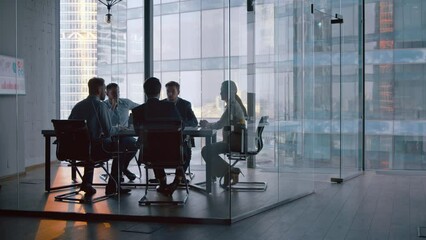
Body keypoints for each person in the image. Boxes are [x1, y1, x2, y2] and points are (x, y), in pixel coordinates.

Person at [69, 77, 131, 195]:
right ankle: (113, 186)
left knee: (89, 143)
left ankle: (87, 183)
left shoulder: (78, 106)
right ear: (99, 89)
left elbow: (70, 127)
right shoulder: (100, 105)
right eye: (104, 89)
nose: (106, 92)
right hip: (95, 149)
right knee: (121, 148)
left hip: (75, 150)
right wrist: (119, 128)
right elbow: (108, 132)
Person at [132, 77, 184, 196]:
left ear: (145, 92)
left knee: (153, 145)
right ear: (160, 91)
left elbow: (137, 132)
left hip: (149, 155)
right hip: (173, 154)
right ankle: (176, 181)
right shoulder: (170, 106)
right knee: (184, 149)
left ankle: (162, 182)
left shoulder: (138, 111)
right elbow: (181, 126)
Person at [200, 80, 247, 187]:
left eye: (222, 91)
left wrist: (207, 124)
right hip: (237, 141)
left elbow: (220, 124)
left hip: (234, 143)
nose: (220, 93)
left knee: (206, 150)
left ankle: (230, 171)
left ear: (229, 92)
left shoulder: (232, 106)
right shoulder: (234, 105)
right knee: (208, 150)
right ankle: (227, 172)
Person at [104, 83, 139, 181]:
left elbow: (140, 108)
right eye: (113, 93)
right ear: (107, 93)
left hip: (125, 135)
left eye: (118, 92)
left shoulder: (125, 103)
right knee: (120, 147)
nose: (117, 95)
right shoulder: (104, 105)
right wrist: (112, 108)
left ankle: (123, 167)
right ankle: (119, 173)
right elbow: (105, 122)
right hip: (110, 136)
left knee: (135, 144)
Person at [163, 81, 198, 175]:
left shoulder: (185, 104)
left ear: (178, 92)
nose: (170, 94)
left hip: (181, 139)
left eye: (172, 91)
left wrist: (180, 124)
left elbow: (194, 122)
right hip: (164, 140)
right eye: (168, 91)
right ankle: (162, 178)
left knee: (186, 150)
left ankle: (179, 177)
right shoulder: (161, 104)